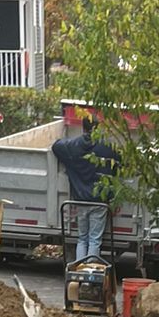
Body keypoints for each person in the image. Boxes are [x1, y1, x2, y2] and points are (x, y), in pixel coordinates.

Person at [52, 112, 118, 261]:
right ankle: (90, 272)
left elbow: (56, 146)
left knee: (82, 238)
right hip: (99, 202)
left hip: (80, 200)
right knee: (95, 240)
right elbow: (120, 162)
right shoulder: (107, 148)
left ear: (83, 128)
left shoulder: (73, 146)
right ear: (98, 128)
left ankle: (79, 269)